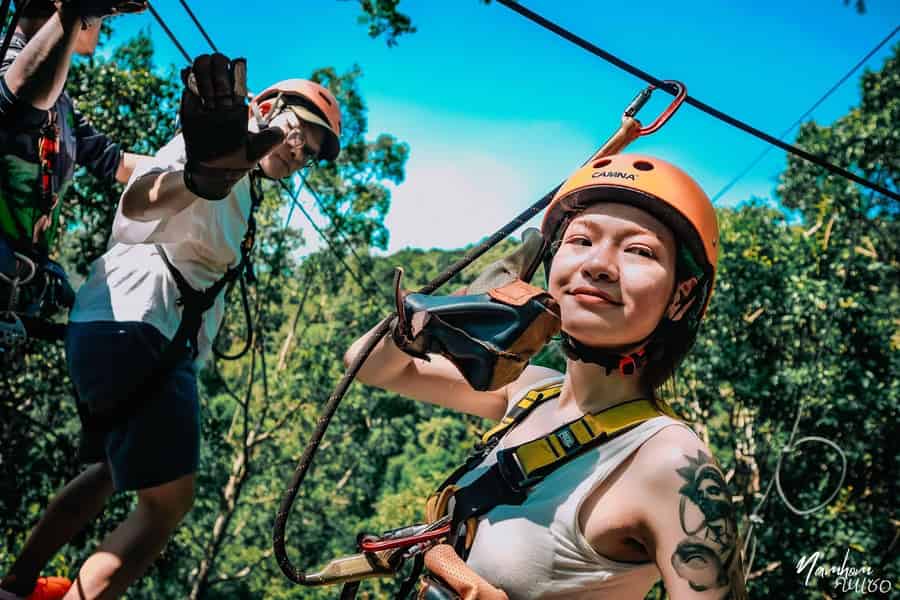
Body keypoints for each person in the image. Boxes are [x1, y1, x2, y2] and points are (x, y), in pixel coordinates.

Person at [0, 52, 342, 600]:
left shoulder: (241, 173)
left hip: (119, 329)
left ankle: (17, 585)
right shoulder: (214, 143)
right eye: (303, 133)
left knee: (114, 470)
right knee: (168, 505)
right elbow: (138, 201)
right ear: (267, 106)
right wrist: (203, 178)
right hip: (144, 331)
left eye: (316, 151)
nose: (303, 152)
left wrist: (221, 175)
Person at [346, 154, 746, 599]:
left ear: (681, 298)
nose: (598, 265)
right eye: (580, 241)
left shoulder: (668, 461)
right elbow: (367, 364)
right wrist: (441, 319)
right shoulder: (530, 389)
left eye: (638, 250)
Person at [0, 0, 150, 353]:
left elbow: (116, 163)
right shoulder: (8, 56)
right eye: (98, 18)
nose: (102, 26)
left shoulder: (61, 105)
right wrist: (76, 12)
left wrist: (195, 163)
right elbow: (20, 96)